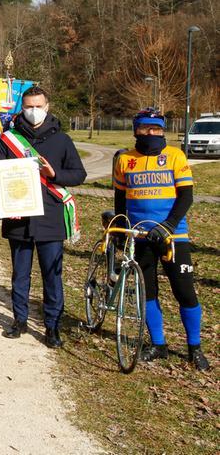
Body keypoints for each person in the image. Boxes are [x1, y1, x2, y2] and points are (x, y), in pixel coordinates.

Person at [0, 86, 86, 348]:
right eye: (28, 106)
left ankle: (52, 326)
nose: (33, 111)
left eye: (38, 106)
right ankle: (19, 320)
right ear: (22, 108)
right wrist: (4, 199)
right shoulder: (7, 139)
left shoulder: (62, 140)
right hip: (18, 218)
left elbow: (79, 174)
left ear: (47, 106)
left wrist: (55, 175)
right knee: (20, 274)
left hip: (51, 218)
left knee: (51, 276)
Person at [113, 109, 209, 371]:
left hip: (173, 236)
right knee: (148, 292)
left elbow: (186, 197)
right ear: (136, 130)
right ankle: (158, 344)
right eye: (146, 128)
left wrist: (168, 226)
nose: (151, 133)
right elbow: (120, 199)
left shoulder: (176, 156)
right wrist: (121, 230)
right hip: (140, 236)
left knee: (185, 292)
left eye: (157, 129)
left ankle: (194, 347)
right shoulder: (124, 160)